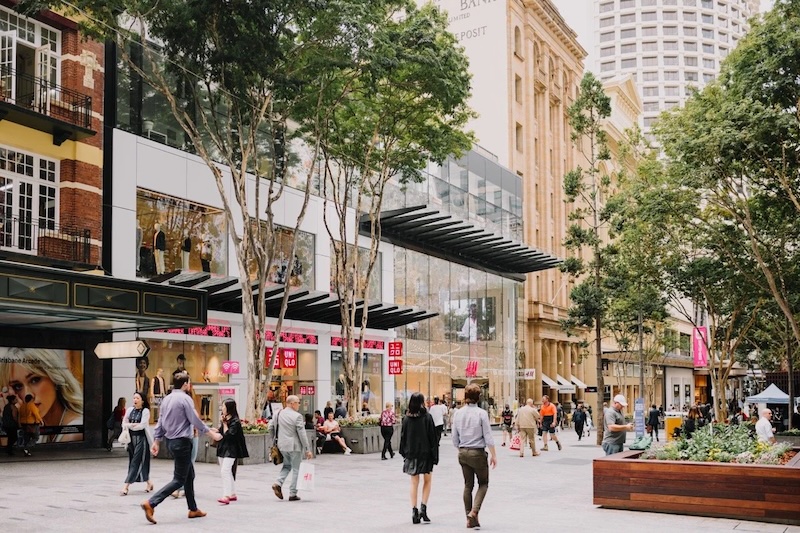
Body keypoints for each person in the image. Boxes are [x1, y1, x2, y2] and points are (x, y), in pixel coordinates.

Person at [141, 371, 213, 525]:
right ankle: (151, 503)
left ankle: (193, 509)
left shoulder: (166, 399)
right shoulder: (185, 399)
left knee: (189, 475)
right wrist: (210, 432)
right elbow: (194, 419)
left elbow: (160, 421)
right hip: (182, 442)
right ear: (186, 384)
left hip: (171, 442)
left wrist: (157, 441)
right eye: (189, 383)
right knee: (179, 479)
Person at [0, 347, 84, 443]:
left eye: (35, 380)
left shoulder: (75, 434)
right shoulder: (39, 427)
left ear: (54, 378)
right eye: (17, 386)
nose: (28, 394)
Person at [452, 384, 496, 529]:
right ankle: (474, 511)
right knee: (483, 483)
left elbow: (454, 438)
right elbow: (488, 436)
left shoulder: (458, 413)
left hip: (463, 452)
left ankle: (469, 517)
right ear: (479, 397)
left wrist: (461, 447)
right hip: (477, 452)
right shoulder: (481, 413)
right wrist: (494, 455)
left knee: (467, 485)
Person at [399, 392, 438, 524]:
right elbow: (433, 437)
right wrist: (435, 455)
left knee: (414, 482)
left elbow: (403, 437)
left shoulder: (406, 418)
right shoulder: (427, 417)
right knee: (427, 480)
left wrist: (404, 452)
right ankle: (423, 508)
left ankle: (414, 510)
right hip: (425, 454)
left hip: (411, 453)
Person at [269, 395, 313, 502]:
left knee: (287, 465)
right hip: (294, 446)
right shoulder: (297, 416)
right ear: (292, 403)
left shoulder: (277, 414)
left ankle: (278, 483)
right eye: (298, 402)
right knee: (296, 469)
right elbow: (302, 434)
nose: (299, 404)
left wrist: (274, 439)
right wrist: (307, 449)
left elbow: (270, 427)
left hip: (281, 445)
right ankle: (293, 493)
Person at [216, 398, 249, 504]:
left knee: (225, 471)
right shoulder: (226, 419)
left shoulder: (235, 421)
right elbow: (220, 432)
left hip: (231, 450)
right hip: (223, 448)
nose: (222, 409)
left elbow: (228, 435)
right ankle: (232, 493)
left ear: (229, 408)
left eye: (224, 407)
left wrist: (225, 424)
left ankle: (226, 495)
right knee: (227, 471)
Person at [121, 392, 153, 496]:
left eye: (137, 398)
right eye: (134, 397)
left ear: (142, 400)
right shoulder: (130, 410)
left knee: (136, 461)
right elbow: (123, 423)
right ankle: (149, 482)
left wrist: (130, 425)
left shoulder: (146, 411)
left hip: (141, 439)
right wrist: (132, 424)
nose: (135, 400)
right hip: (131, 440)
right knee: (134, 461)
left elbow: (142, 426)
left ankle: (126, 486)